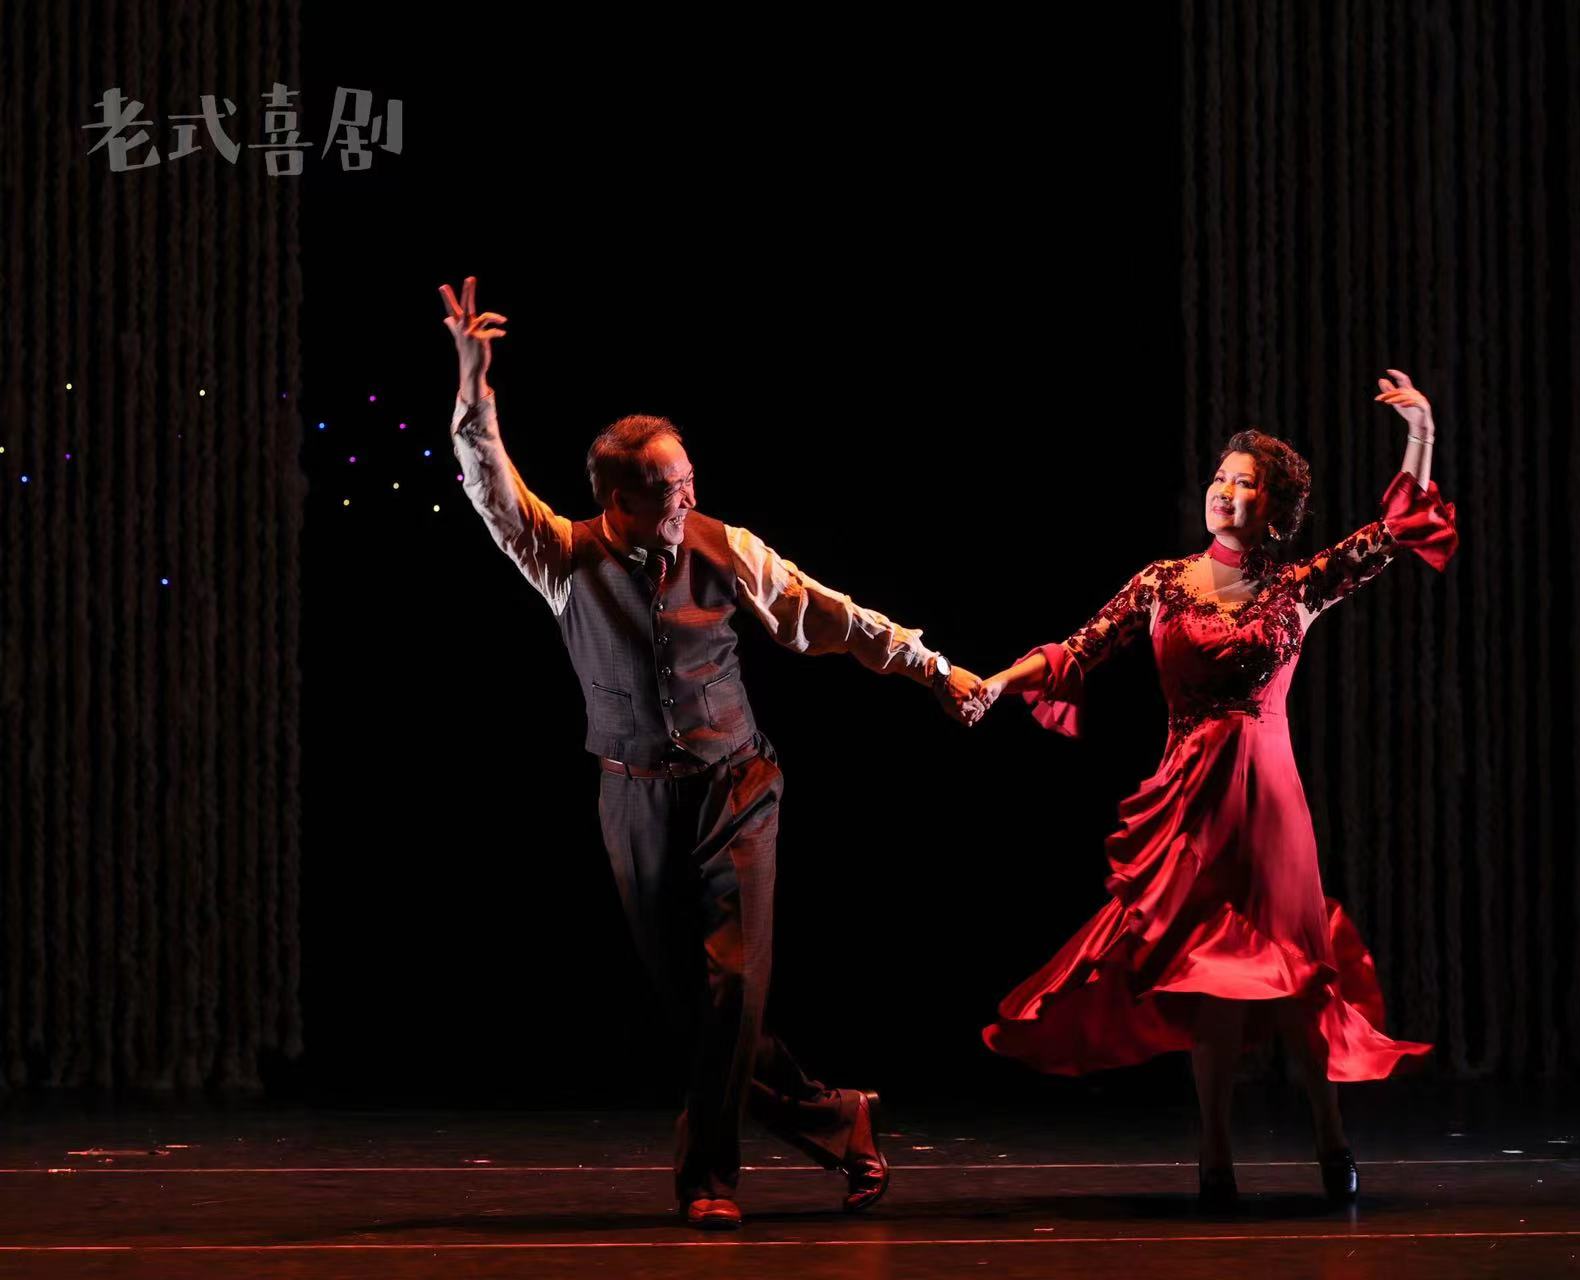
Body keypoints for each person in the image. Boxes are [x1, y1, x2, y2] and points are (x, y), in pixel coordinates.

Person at [437, 276, 984, 1229]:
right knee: (695, 1009)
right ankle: (839, 1117)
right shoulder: (564, 558)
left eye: (690, 481)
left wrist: (934, 670)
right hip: (632, 799)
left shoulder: (730, 549)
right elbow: (491, 491)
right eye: (667, 489)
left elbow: (828, 615)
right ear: (617, 497)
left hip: (738, 786)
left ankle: (708, 1181)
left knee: (734, 984)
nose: (688, 498)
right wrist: (474, 390)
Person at [970, 370, 1458, 1208]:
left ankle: (1331, 1138)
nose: (1226, 492)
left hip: (1270, 805)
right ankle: (1214, 1158)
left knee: (1294, 977)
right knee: (1208, 979)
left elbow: (1394, 532)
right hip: (1189, 803)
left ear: (1273, 507)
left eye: (1246, 484)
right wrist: (995, 683)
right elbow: (1078, 650)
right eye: (1221, 478)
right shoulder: (1161, 582)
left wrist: (1422, 434)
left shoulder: (1298, 586)